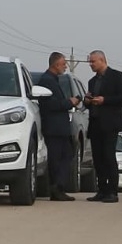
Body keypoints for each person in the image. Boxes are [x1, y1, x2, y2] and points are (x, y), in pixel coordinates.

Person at [83, 50, 122, 203]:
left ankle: (112, 191)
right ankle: (102, 190)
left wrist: (105, 100)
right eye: (90, 62)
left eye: (93, 61)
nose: (91, 64)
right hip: (95, 123)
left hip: (110, 124)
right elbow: (89, 103)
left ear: (102, 60)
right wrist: (88, 101)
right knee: (98, 159)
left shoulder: (117, 76)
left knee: (109, 156)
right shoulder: (92, 81)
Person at [35, 51, 80, 201]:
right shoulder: (47, 81)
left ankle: (58, 188)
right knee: (57, 159)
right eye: (63, 64)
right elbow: (50, 105)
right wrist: (69, 102)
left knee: (65, 156)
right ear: (56, 64)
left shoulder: (53, 80)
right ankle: (56, 187)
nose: (66, 67)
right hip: (54, 128)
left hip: (59, 128)